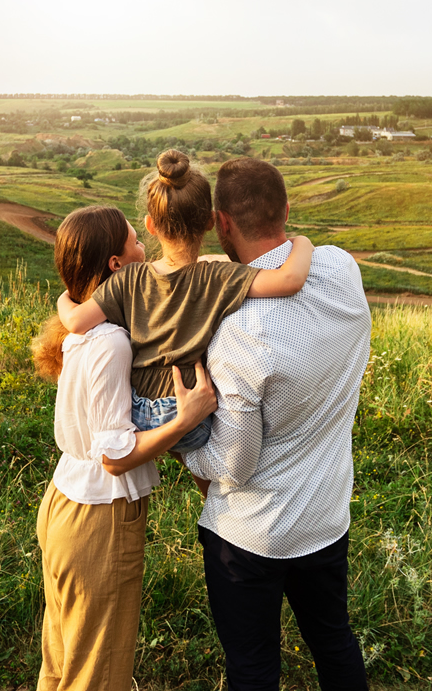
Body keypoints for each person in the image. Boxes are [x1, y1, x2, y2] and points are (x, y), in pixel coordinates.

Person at [182, 158, 375, 691]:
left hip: (251, 533)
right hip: (325, 512)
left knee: (255, 671)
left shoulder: (238, 331)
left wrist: (185, 447)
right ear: (286, 211)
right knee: (333, 634)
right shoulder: (341, 271)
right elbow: (304, 252)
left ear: (221, 223)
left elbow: (233, 462)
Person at [29, 205, 218, 691]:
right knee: (90, 658)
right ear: (117, 265)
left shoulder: (84, 325)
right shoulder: (111, 341)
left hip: (64, 502)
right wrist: (186, 419)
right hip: (100, 517)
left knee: (63, 647)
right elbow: (115, 454)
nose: (147, 251)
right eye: (138, 243)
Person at [56, 150, 316, 460]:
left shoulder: (129, 278)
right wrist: (303, 242)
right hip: (189, 413)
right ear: (210, 222)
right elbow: (290, 280)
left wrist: (64, 297)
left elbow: (75, 322)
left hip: (138, 412)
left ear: (151, 225)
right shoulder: (216, 277)